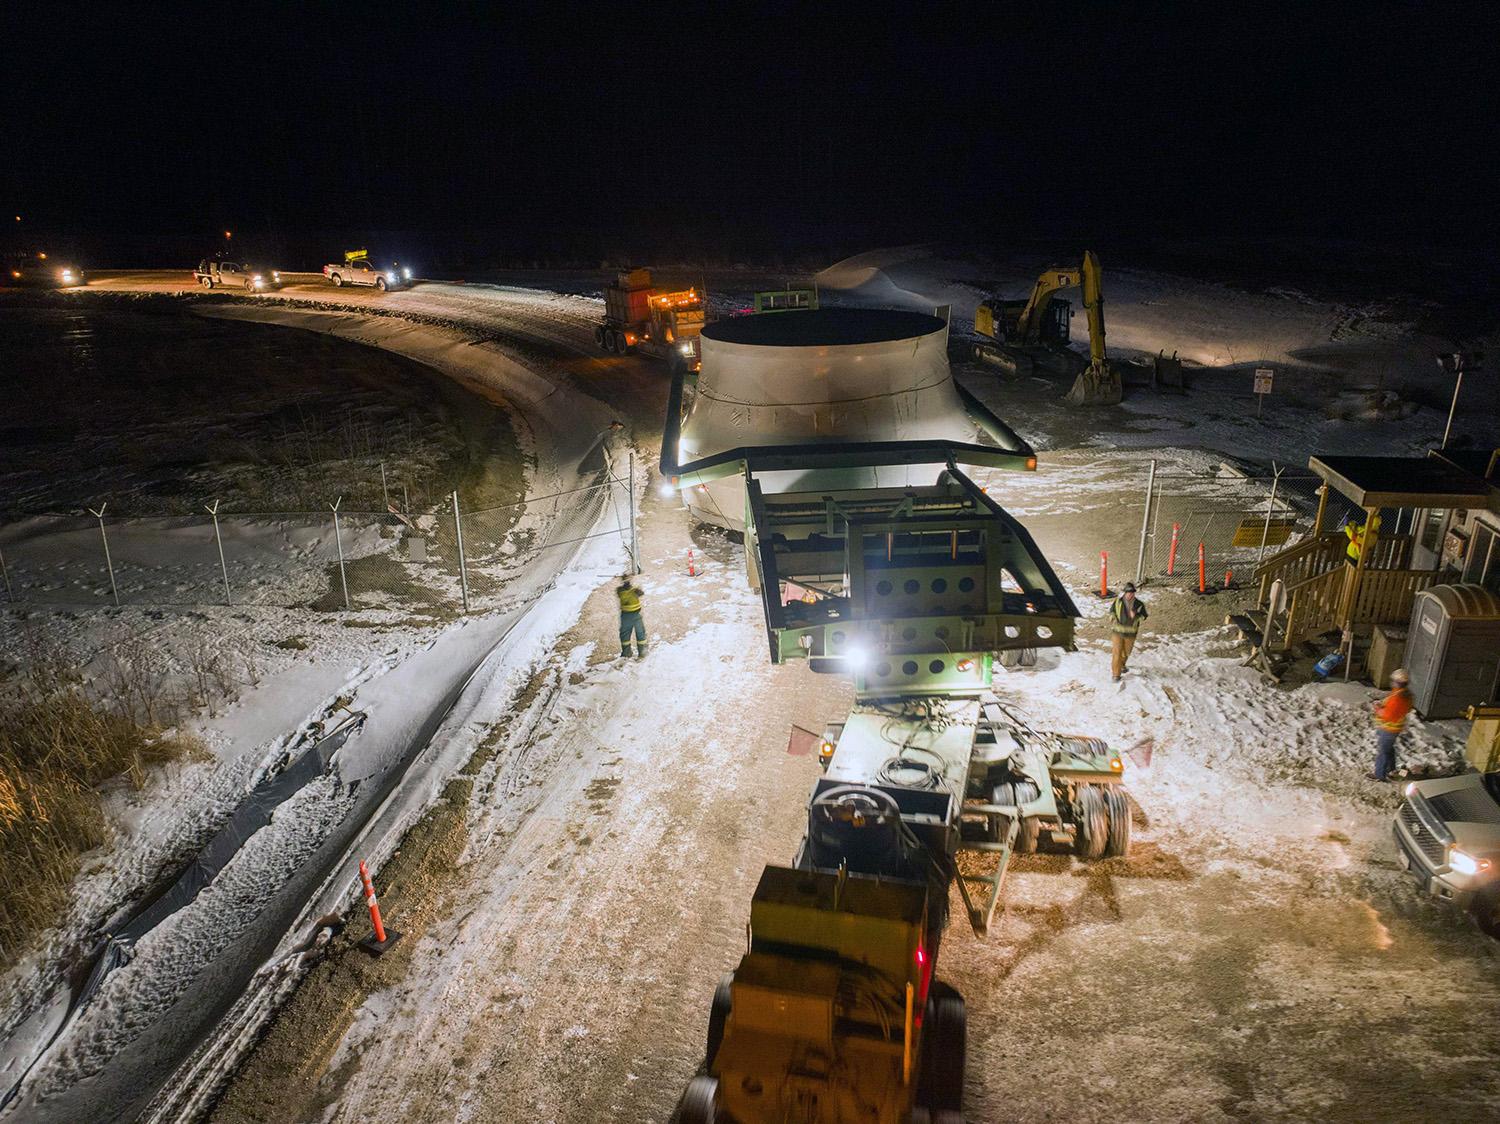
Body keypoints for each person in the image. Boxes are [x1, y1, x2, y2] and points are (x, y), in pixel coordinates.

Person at [1372, 667, 1414, 781]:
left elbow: (1389, 715)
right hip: (1393, 728)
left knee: (1383, 752)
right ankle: (1392, 770)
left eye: (1393, 681)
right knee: (1389, 750)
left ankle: (1379, 775)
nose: (1391, 683)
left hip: (1389, 728)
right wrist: (1383, 705)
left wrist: (1377, 708)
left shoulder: (1398, 697)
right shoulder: (1404, 694)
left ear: (1397, 682)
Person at [1109, 581, 1148, 682]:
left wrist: (1136, 615)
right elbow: (1112, 611)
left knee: (1126, 652)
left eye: (1132, 593)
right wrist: (1112, 617)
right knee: (1116, 653)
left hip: (1130, 633)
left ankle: (1122, 665)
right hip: (1117, 632)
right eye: (1128, 593)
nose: (1130, 595)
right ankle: (1116, 674)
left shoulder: (1139, 604)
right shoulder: (1118, 602)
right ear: (1125, 593)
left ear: (1134, 593)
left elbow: (1144, 616)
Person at [616, 573, 646, 658]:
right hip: (635, 615)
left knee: (625, 635)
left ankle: (626, 653)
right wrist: (638, 589)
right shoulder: (634, 590)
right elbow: (641, 593)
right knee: (640, 633)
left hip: (625, 616)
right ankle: (642, 652)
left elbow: (640, 593)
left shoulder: (620, 590)